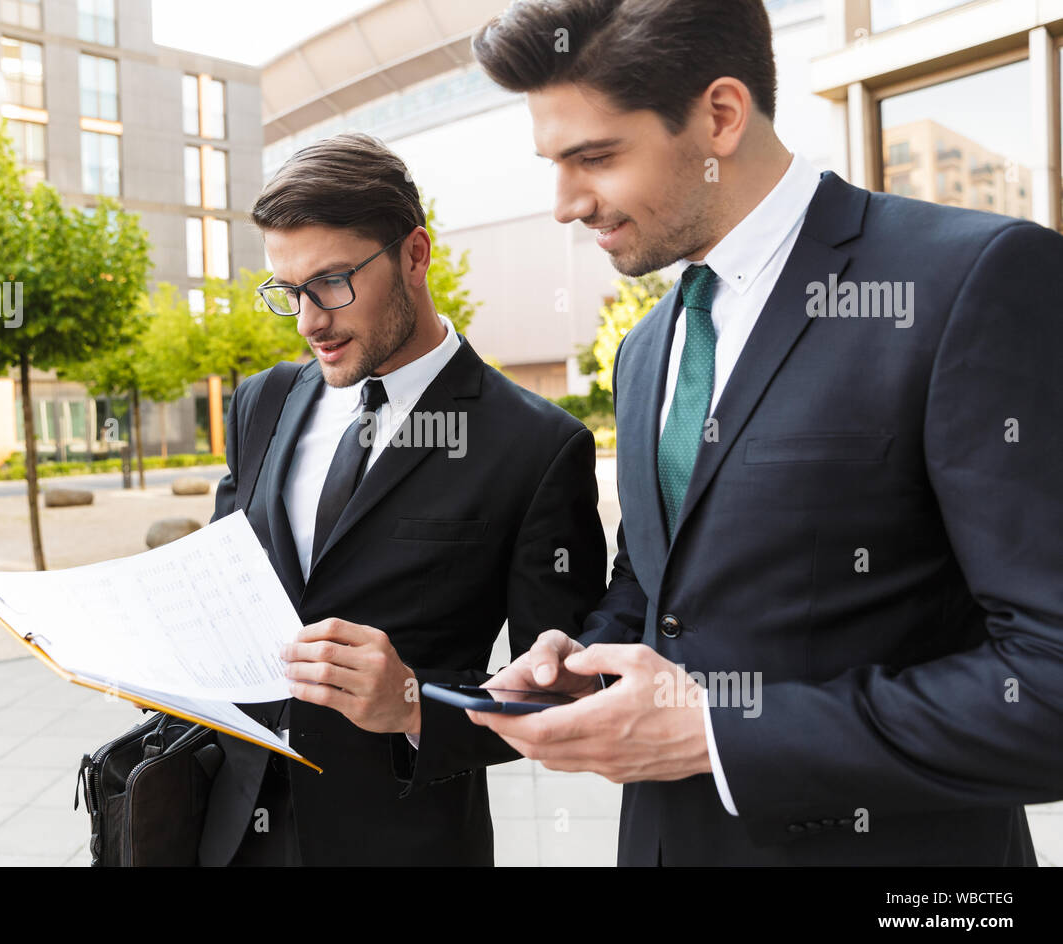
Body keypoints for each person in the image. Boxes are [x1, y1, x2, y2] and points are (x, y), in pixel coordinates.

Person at [466, 0, 1063, 865]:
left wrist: (717, 734)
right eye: (552, 163)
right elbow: (656, 584)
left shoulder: (970, 281)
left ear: (719, 115)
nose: (565, 203)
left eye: (594, 157)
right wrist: (586, 660)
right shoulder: (646, 346)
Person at [198, 132, 607, 865]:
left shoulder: (538, 446)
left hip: (405, 842)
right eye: (288, 292)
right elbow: (223, 586)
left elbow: (559, 687)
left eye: (329, 283)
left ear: (415, 255)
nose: (308, 322)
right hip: (230, 833)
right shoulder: (261, 402)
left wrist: (415, 704)